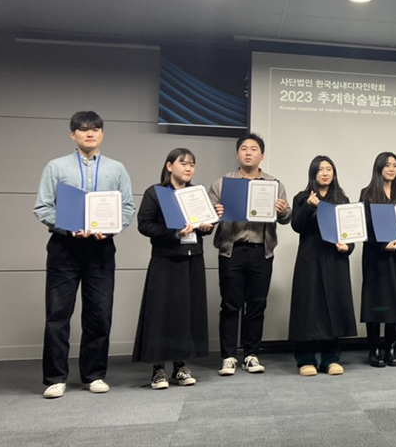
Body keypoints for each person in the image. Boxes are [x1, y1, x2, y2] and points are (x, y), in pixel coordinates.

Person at [33, 111, 135, 399]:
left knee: (99, 314)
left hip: (101, 248)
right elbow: (43, 207)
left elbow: (127, 207)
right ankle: (55, 378)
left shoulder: (116, 168)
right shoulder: (56, 167)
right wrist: (68, 227)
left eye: (95, 129)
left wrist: (111, 228)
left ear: (102, 134)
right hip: (64, 247)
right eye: (83, 129)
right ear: (73, 134)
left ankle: (94, 375)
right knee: (57, 315)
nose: (90, 134)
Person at [134, 148, 220, 389]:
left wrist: (209, 224)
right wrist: (173, 233)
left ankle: (180, 366)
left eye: (192, 164)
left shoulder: (197, 194)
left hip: (193, 259)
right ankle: (158, 369)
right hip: (165, 260)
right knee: (161, 313)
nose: (188, 168)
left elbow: (204, 227)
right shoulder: (156, 193)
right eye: (183, 163)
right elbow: (144, 225)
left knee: (187, 313)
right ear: (169, 166)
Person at [208, 133, 291, 375]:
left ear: (261, 156)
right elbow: (207, 217)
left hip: (261, 252)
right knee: (230, 305)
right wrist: (215, 213)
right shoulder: (223, 183)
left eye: (254, 149)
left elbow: (286, 217)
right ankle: (228, 356)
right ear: (237, 154)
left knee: (256, 305)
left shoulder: (274, 184)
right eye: (243, 148)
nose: (248, 152)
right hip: (231, 251)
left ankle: (251, 354)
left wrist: (282, 211)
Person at [289, 155, 357, 376]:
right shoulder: (302, 198)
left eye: (329, 169)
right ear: (313, 174)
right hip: (310, 258)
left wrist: (348, 247)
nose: (325, 173)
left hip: (335, 259)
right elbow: (297, 226)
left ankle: (331, 358)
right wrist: (309, 207)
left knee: (333, 307)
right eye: (320, 170)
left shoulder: (342, 200)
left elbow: (351, 232)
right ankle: (306, 359)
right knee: (307, 306)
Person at [359, 152, 396, 368]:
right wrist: (382, 245)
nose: (392, 169)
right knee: (375, 303)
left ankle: (390, 348)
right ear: (379, 168)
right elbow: (364, 227)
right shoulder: (367, 194)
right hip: (377, 257)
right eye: (387, 165)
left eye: (395, 165)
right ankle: (374, 349)